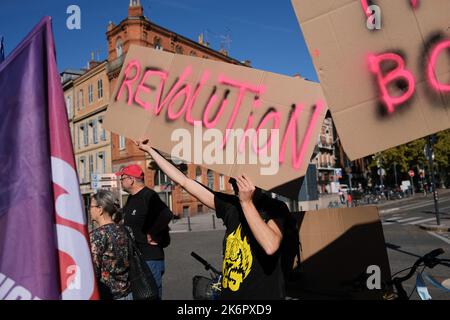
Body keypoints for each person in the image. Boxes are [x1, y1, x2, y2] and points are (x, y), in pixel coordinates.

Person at [135, 138, 289, 300]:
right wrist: (151, 151)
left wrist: (247, 203)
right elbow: (185, 181)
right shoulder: (230, 206)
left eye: (236, 179)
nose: (231, 182)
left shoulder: (274, 207)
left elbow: (270, 246)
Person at [116, 164, 173, 299]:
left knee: (151, 296)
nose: (121, 182)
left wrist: (152, 233)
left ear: (131, 180)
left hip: (150, 258)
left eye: (122, 178)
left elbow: (166, 214)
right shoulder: (131, 198)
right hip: (137, 260)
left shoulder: (148, 195)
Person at [89, 189, 132, 300]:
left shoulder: (97, 235)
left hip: (108, 294)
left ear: (100, 209)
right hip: (128, 291)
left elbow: (94, 271)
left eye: (91, 206)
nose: (90, 210)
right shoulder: (127, 230)